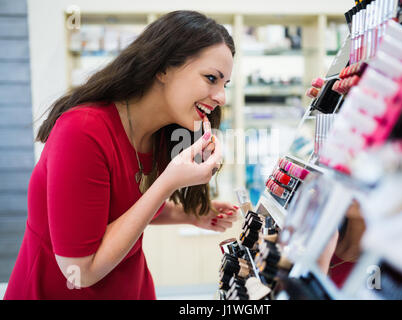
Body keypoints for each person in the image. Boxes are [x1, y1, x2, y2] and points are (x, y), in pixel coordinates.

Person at [5, 11, 238, 300]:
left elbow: (116, 211)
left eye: (224, 84)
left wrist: (190, 214)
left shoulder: (161, 134)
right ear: (163, 68)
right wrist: (166, 183)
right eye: (211, 78)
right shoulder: (82, 132)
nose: (221, 97)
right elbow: (80, 271)